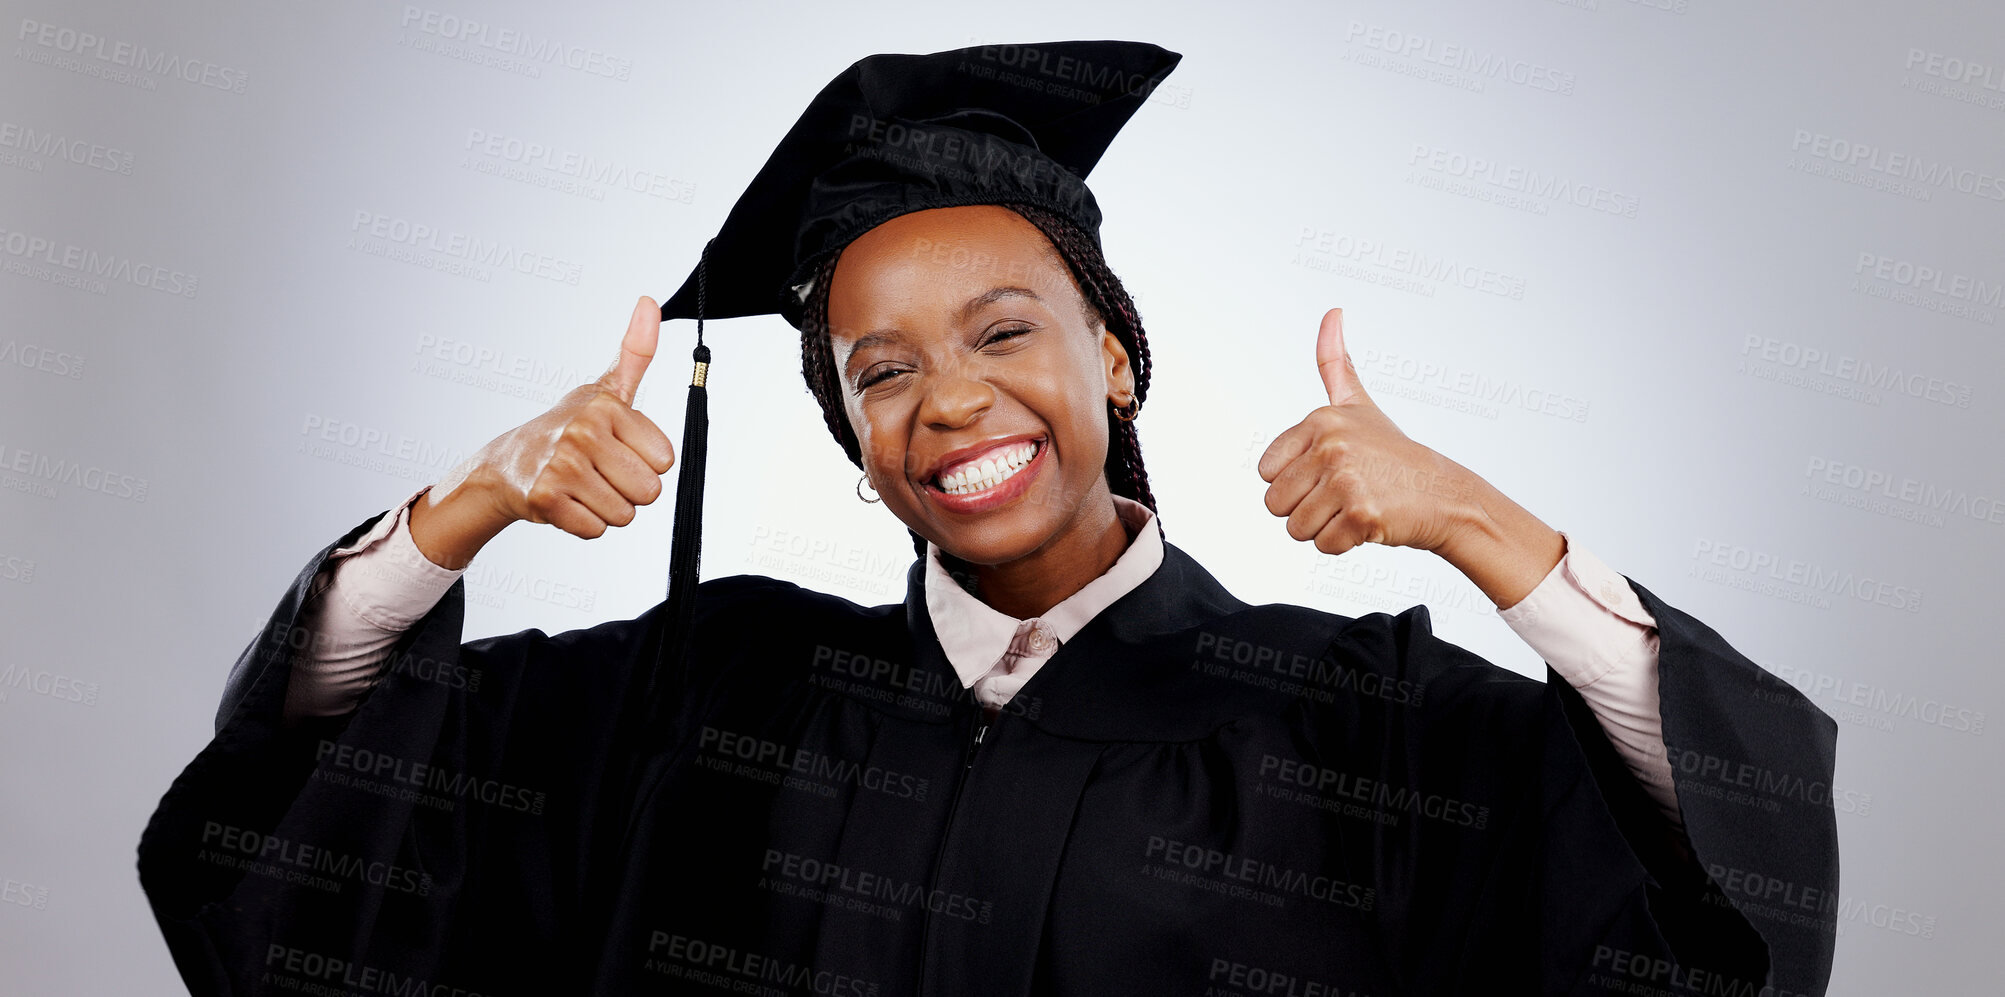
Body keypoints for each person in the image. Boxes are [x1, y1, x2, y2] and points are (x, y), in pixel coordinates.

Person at [138, 41, 1840, 997]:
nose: (947, 399)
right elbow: (298, 830)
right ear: (850, 432)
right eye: (878, 372)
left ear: (1109, 348)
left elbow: (1727, 893)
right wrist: (455, 517)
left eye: (1004, 330)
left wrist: (1490, 533)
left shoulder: (1361, 723)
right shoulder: (710, 695)